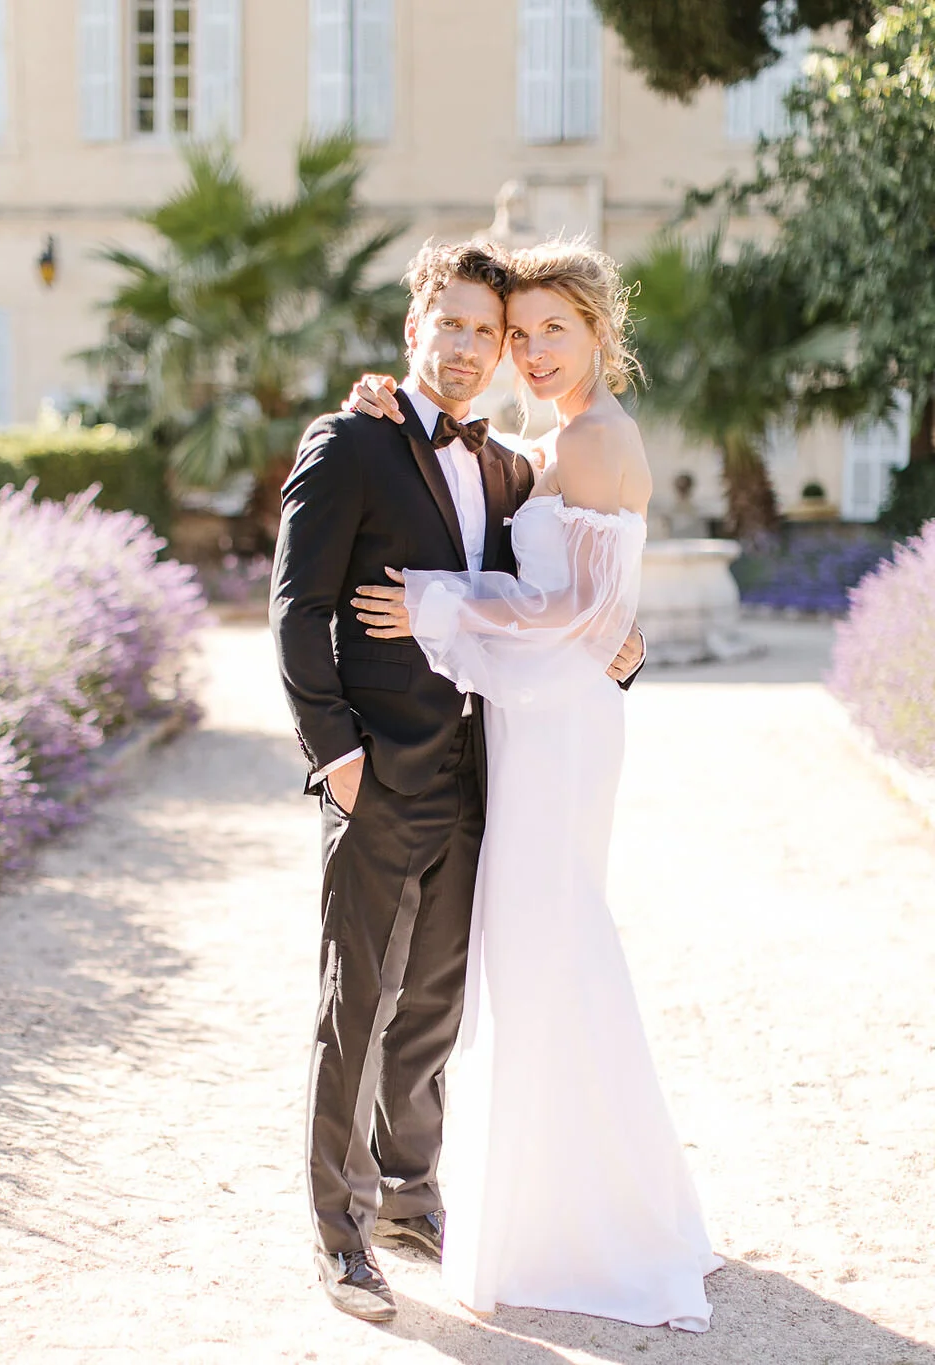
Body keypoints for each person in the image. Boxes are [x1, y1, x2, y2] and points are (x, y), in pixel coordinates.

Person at [348, 239, 724, 1330]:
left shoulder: (603, 440)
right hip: (528, 722)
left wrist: (431, 603)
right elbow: (464, 459)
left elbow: (590, 618)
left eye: (554, 329)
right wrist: (388, 389)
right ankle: (562, 1206)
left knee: (555, 943)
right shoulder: (548, 443)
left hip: (562, 731)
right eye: (519, 336)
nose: (531, 351)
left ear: (602, 331)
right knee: (532, 954)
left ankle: (590, 1227)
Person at [268, 241, 644, 1325]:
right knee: (357, 1000)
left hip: (477, 776)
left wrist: (619, 642)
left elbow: (562, 585)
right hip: (375, 773)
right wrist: (332, 755)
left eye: (494, 331)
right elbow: (295, 609)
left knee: (431, 1003)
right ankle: (338, 1237)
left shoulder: (507, 465)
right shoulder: (349, 440)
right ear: (416, 330)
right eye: (459, 326)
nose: (478, 348)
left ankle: (406, 1194)